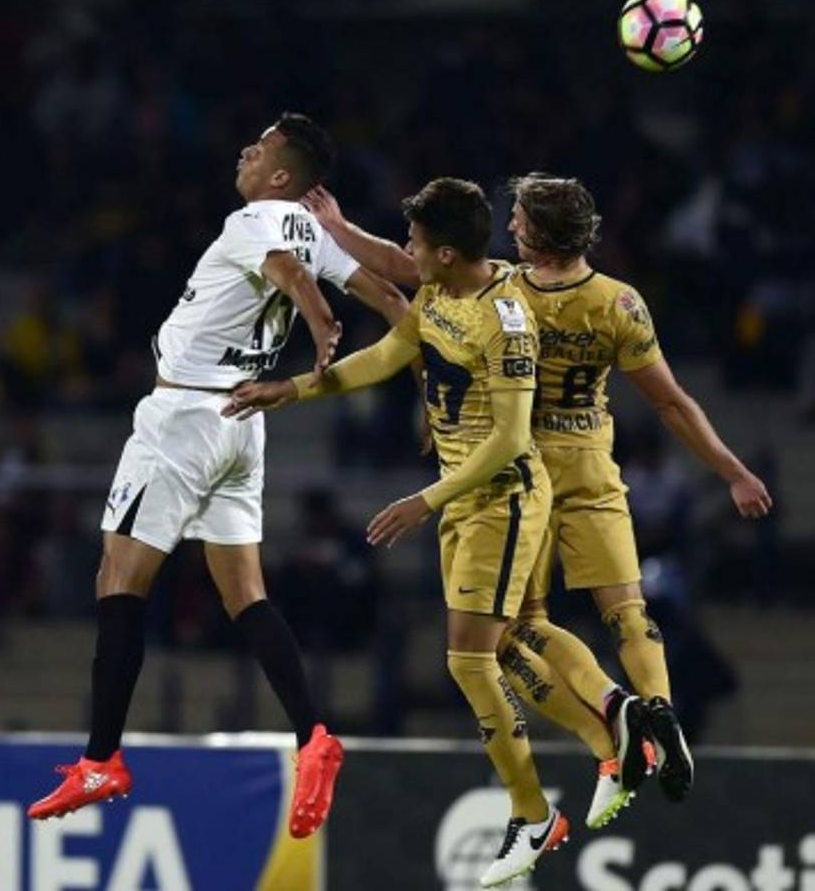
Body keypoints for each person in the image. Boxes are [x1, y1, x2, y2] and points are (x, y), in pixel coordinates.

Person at [225, 178, 648, 886]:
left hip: (503, 497)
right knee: (505, 649)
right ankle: (614, 736)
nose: (409, 256)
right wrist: (292, 389)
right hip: (464, 501)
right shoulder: (439, 293)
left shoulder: (506, 322)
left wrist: (423, 500)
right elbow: (387, 357)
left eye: (418, 246)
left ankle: (535, 809)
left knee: (471, 661)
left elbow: (513, 438)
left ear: (447, 252)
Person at [302, 174, 773, 805]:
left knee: (517, 630)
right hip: (592, 466)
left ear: (536, 235)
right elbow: (671, 404)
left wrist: (337, 231)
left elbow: (403, 265)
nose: (511, 226)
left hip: (518, 473)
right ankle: (659, 712)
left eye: (519, 218)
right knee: (629, 611)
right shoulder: (618, 302)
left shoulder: (504, 289)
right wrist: (732, 471)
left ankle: (609, 725)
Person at [27, 112, 409, 840]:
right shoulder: (313, 227)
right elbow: (395, 299)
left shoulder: (256, 222)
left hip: (182, 421)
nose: (245, 150)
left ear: (279, 177)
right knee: (246, 594)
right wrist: (425, 383)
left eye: (259, 148)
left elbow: (288, 274)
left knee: (118, 579)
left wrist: (319, 317)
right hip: (243, 424)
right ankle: (313, 736)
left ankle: (102, 758)